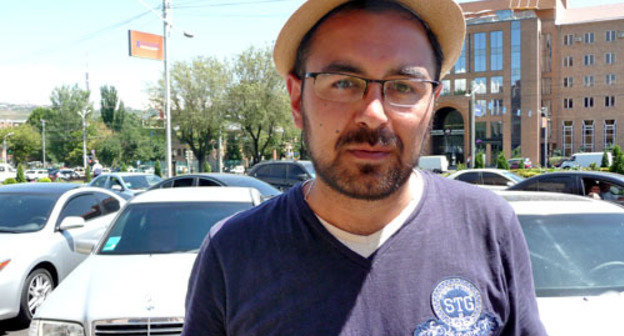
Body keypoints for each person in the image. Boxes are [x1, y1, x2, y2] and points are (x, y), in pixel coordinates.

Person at [183, 1, 546, 335]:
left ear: (432, 104)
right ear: (296, 100)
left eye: (404, 86)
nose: (373, 114)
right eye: (343, 83)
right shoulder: (232, 253)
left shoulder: (489, 228)